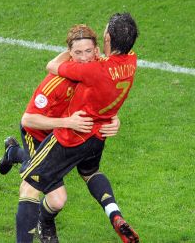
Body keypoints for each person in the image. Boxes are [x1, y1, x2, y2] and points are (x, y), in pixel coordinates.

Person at [17, 13, 139, 243]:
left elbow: (101, 90)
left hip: (75, 135)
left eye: (88, 52)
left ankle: (15, 157)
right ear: (69, 53)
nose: (84, 58)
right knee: (38, 191)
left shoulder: (96, 69)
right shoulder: (128, 60)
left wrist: (114, 118)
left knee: (59, 198)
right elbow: (28, 120)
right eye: (77, 52)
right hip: (41, 133)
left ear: (101, 47)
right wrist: (66, 122)